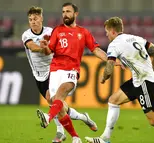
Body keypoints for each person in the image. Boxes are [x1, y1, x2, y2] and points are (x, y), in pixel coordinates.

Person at [21, 6, 98, 143]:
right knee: (58, 105)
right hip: (38, 75)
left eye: (36, 18)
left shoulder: (51, 32)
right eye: (31, 19)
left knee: (53, 100)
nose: (33, 21)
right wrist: (43, 48)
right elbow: (32, 47)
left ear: (41, 18)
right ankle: (82, 118)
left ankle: (61, 132)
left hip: (54, 70)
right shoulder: (26, 35)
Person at [36, 2, 110, 143]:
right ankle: (77, 134)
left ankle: (48, 117)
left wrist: (111, 60)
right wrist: (44, 47)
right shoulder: (57, 30)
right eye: (63, 12)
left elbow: (96, 50)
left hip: (71, 71)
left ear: (76, 14)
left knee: (59, 96)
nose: (65, 14)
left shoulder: (83, 32)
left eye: (68, 11)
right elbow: (48, 51)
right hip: (55, 70)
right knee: (58, 106)